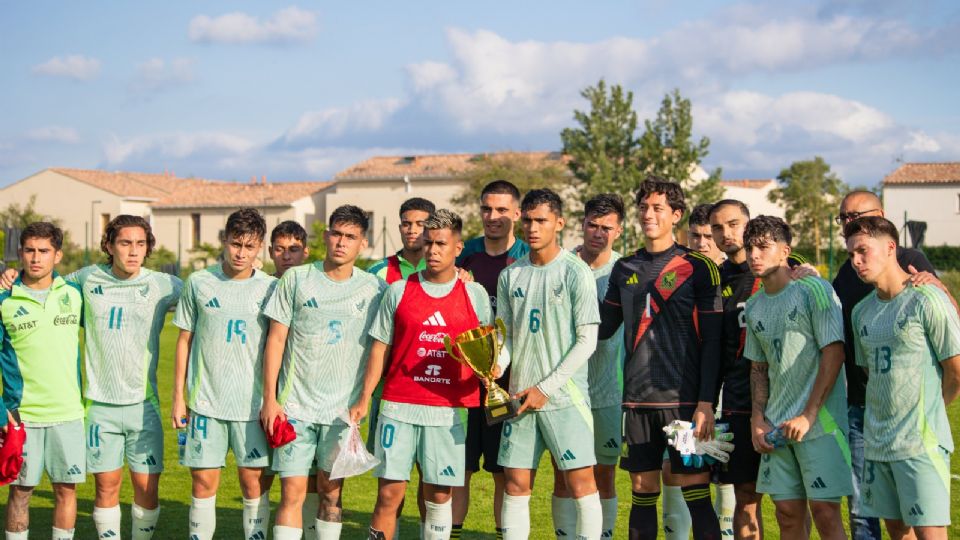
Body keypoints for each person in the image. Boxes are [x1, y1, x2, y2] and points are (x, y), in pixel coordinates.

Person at [350, 209, 492, 540]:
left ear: (458, 248)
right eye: (428, 243)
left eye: (441, 243)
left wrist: (489, 373)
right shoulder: (398, 291)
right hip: (397, 406)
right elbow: (379, 349)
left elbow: (487, 349)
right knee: (389, 493)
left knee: (439, 496)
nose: (433, 250)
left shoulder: (475, 295)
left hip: (449, 409)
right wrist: (362, 398)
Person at [598, 178, 723, 540]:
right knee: (642, 492)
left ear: (676, 215)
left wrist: (705, 403)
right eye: (643, 207)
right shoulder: (624, 268)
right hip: (637, 402)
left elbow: (713, 341)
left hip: (684, 403)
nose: (648, 215)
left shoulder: (699, 267)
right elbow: (602, 329)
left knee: (696, 492)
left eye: (658, 208)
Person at [831, 190, 957, 540]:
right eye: (843, 219)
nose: (856, 259)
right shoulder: (858, 303)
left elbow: (955, 364)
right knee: (888, 526)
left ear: (890, 245)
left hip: (918, 439)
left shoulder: (922, 286)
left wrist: (932, 409)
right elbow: (871, 370)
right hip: (872, 430)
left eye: (862, 251)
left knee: (928, 531)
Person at [261, 206, 387, 540]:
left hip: (341, 414)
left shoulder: (374, 289)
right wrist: (270, 400)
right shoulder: (297, 278)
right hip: (294, 409)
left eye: (350, 237)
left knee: (331, 493)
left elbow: (379, 348)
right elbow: (275, 339)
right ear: (326, 236)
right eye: (336, 234)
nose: (341, 243)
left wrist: (363, 400)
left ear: (362, 243)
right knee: (292, 492)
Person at [495, 188, 603, 540]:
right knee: (515, 482)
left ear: (559, 223)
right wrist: (497, 365)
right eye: (527, 219)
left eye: (541, 220)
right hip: (519, 396)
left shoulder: (576, 272)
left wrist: (545, 388)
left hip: (564, 398)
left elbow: (587, 340)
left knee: (580, 482)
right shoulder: (510, 275)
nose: (532, 227)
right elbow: (508, 335)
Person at [709, 201, 814, 540]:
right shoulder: (715, 280)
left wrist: (810, 274)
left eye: (734, 224)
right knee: (746, 497)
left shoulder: (791, 268)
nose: (727, 234)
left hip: (791, 399)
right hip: (741, 402)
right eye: (718, 227)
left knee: (793, 503)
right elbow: (714, 350)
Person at [172, 208, 278, 540]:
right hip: (206, 404)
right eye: (235, 244)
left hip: (252, 406)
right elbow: (184, 340)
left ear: (259, 246)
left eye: (249, 246)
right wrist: (179, 397)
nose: (241, 253)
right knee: (203, 482)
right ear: (224, 240)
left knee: (253, 483)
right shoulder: (199, 282)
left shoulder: (272, 288)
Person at [743, 215, 851, 540]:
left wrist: (808, 414)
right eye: (749, 247)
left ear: (785, 251)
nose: (753, 254)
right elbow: (759, 368)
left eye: (763, 246)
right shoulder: (754, 305)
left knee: (825, 513)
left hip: (819, 424)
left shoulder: (814, 290)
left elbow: (834, 353)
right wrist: (757, 419)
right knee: (787, 515)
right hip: (776, 426)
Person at [454, 179, 528, 540]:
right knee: (459, 469)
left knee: (504, 470)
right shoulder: (463, 253)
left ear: (516, 213)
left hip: (508, 385)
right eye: (486, 209)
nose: (493, 216)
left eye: (502, 209)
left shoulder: (529, 255)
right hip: (464, 386)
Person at [0, 222, 84, 540]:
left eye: (44, 251)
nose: (36, 258)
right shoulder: (4, 300)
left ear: (57, 255)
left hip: (69, 414)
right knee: (21, 492)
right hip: (23, 417)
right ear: (20, 253)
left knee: (66, 490)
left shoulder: (74, 295)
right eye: (30, 250)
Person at [551, 193, 624, 538]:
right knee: (564, 474)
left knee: (605, 474)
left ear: (619, 231)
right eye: (592, 225)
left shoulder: (626, 271)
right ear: (582, 224)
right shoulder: (563, 265)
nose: (598, 233)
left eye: (606, 227)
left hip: (609, 391)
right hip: (565, 390)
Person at [366, 197, 436, 537]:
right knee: (391, 485)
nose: (413, 230)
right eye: (407, 223)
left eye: (421, 223)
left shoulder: (453, 272)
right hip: (390, 395)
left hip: (435, 395)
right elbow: (373, 339)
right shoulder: (380, 274)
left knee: (431, 482)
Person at [663, 201, 731, 540]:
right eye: (696, 235)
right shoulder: (677, 274)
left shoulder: (737, 273)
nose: (702, 243)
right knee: (680, 468)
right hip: (685, 395)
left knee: (727, 477)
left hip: (730, 394)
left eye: (708, 236)